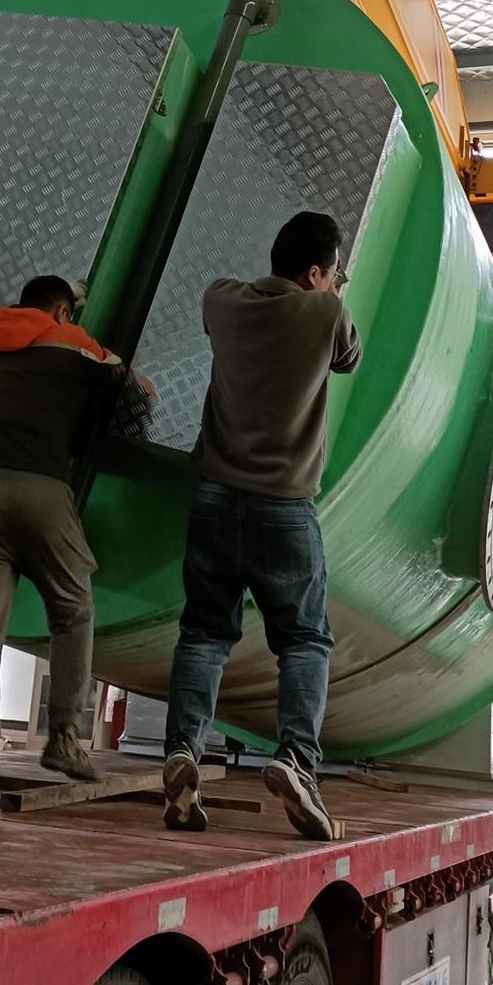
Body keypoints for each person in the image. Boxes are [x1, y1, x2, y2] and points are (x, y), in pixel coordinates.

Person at [162, 211, 361, 843]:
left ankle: (184, 753)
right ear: (315, 274)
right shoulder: (327, 314)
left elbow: (233, 297)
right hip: (285, 509)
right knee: (303, 640)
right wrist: (334, 294)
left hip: (214, 501)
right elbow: (350, 357)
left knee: (203, 634)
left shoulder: (221, 301)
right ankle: (297, 760)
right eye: (331, 274)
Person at [0, 275, 152, 817]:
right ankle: (63, 735)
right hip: (40, 487)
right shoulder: (72, 341)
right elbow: (131, 382)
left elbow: (28, 338)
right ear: (63, 311)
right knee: (73, 608)